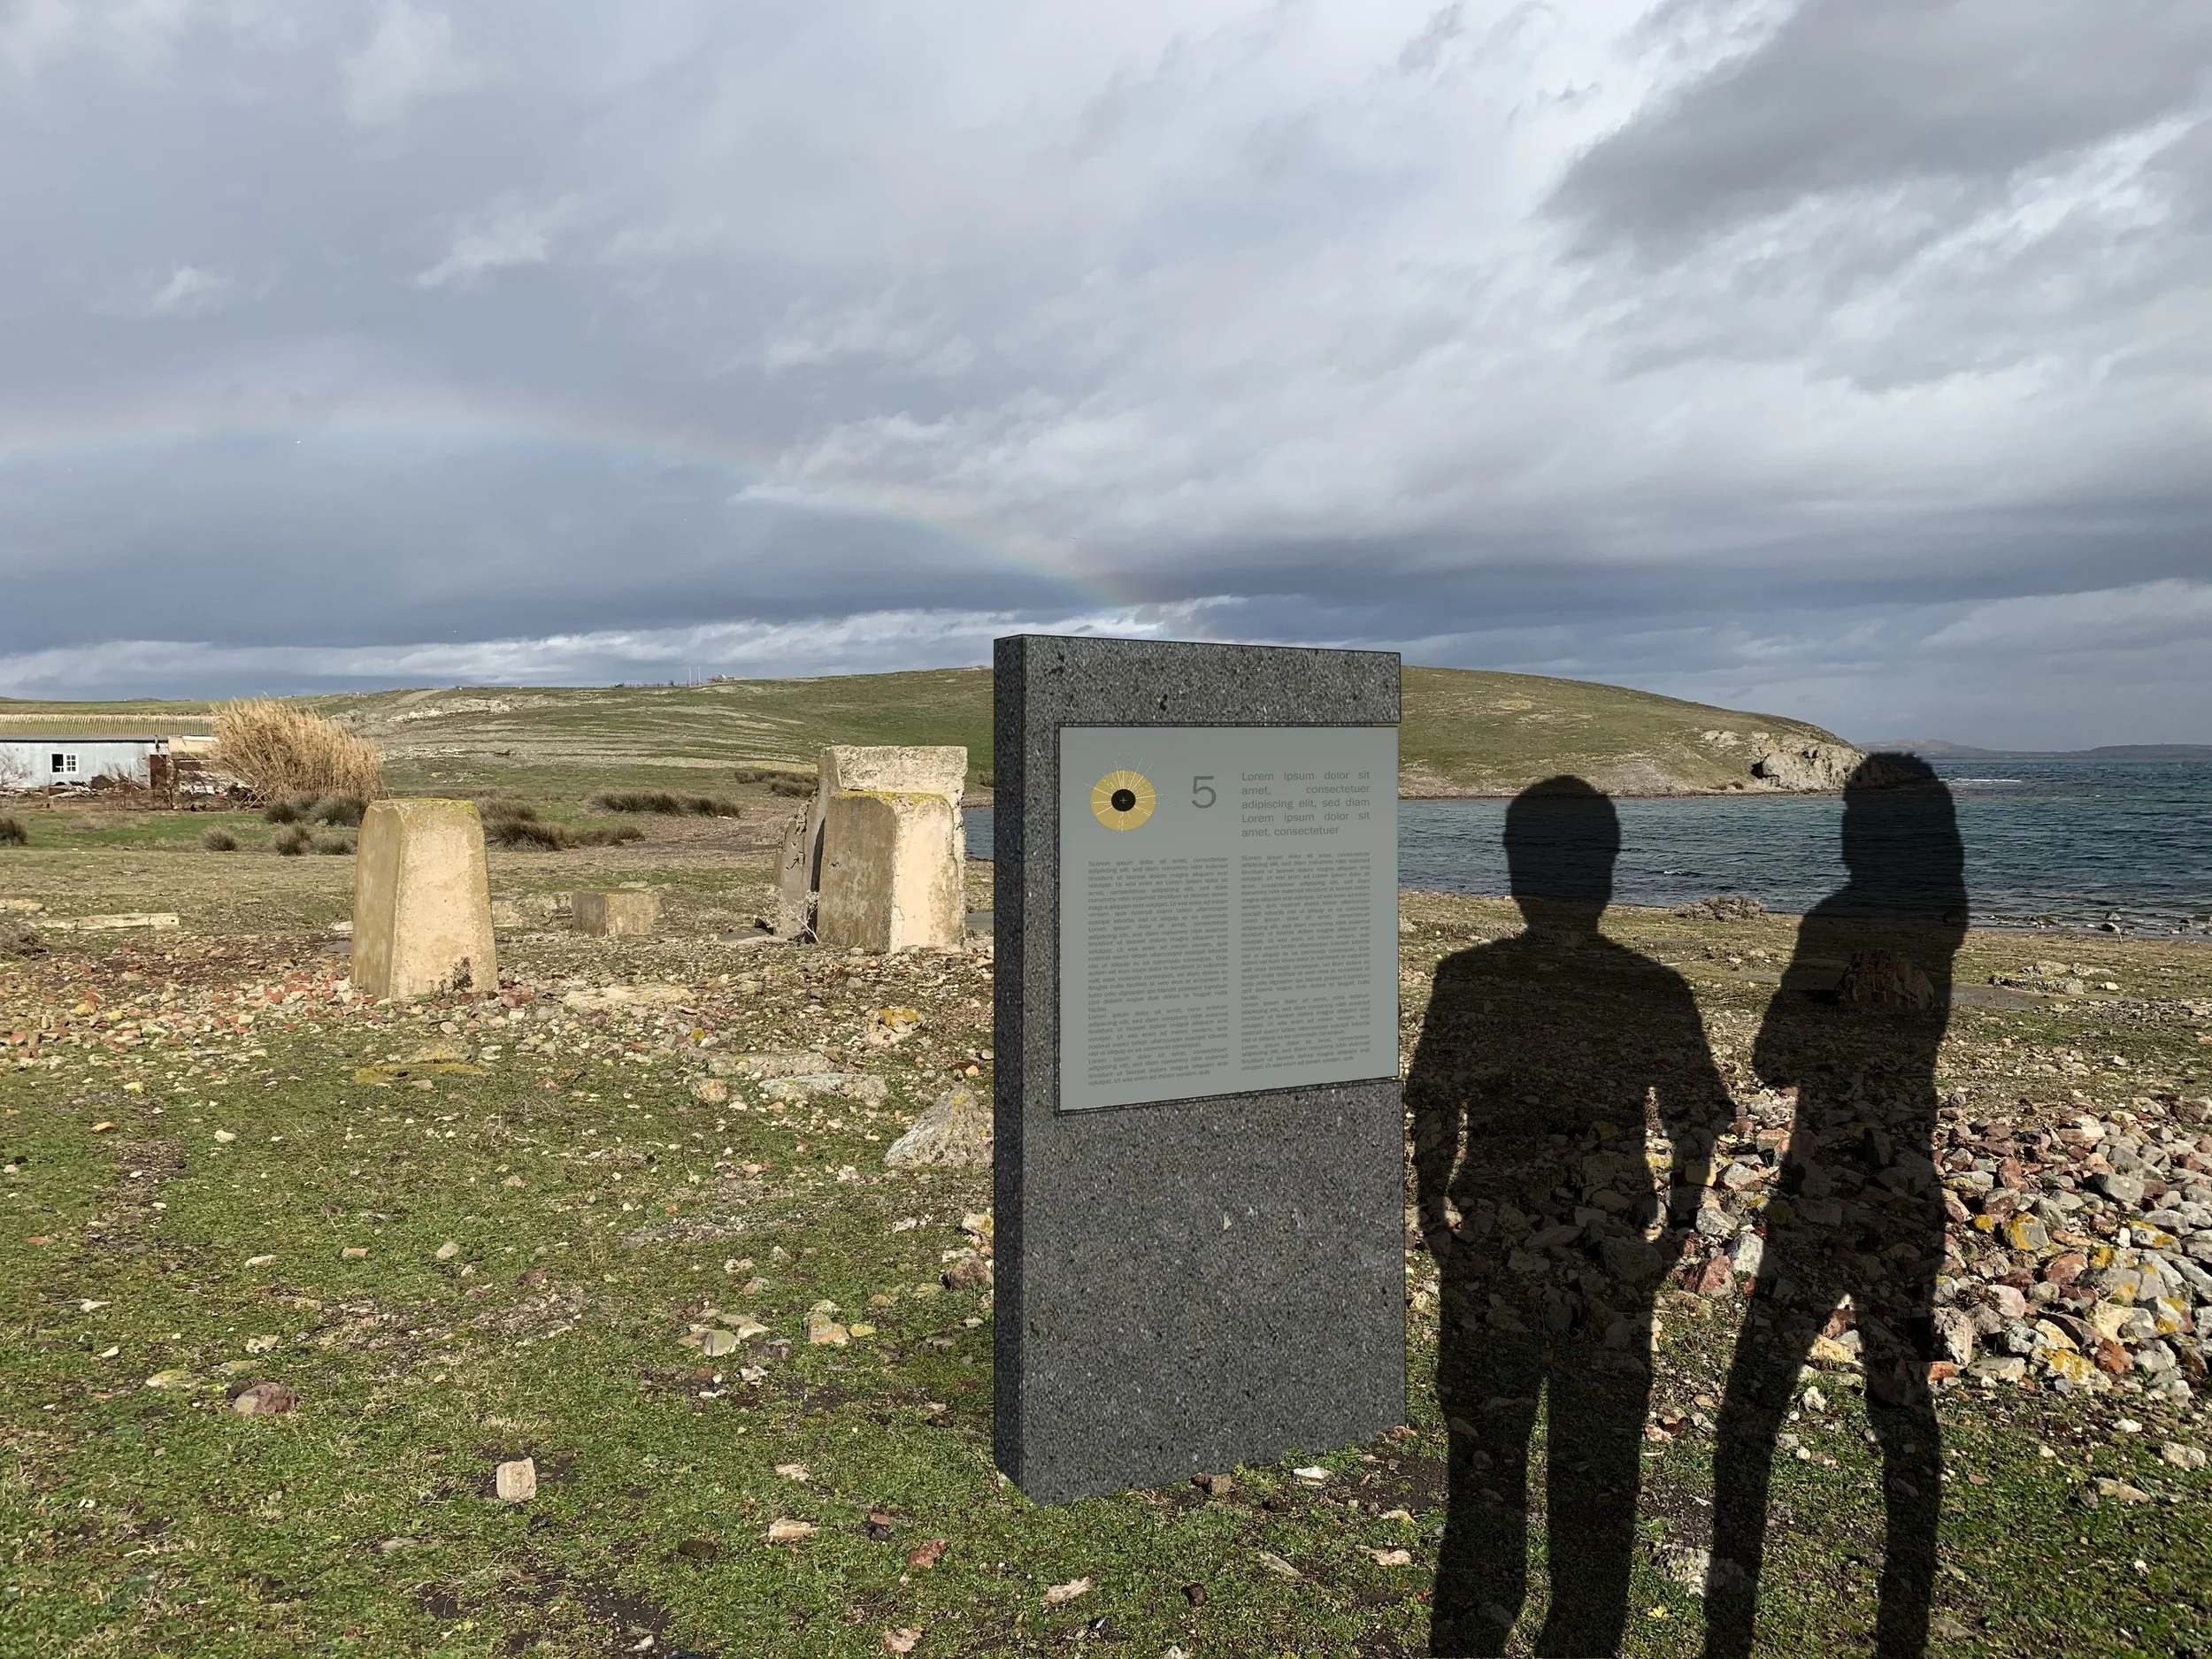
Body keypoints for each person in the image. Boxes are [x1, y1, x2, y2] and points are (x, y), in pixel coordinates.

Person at [1409, 778, 1732, 1655]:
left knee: (1485, 1477)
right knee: (1597, 1482)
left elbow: (1433, 1117)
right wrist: (1675, 1230)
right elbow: (1697, 1118)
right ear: (1606, 870)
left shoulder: (1467, 978)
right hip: (1606, 1256)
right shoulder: (1649, 986)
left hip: (1495, 1253)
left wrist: (1439, 1224)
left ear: (1518, 870)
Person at [1704, 756, 1966, 1659]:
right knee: (1900, 1400)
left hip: (1822, 1190)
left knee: (1756, 1400)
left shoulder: (1833, 921)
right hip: (1906, 1188)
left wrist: (1825, 996)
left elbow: (1774, 1059)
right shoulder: (1945, 922)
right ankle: (1904, 1625)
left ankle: (1728, 1628)